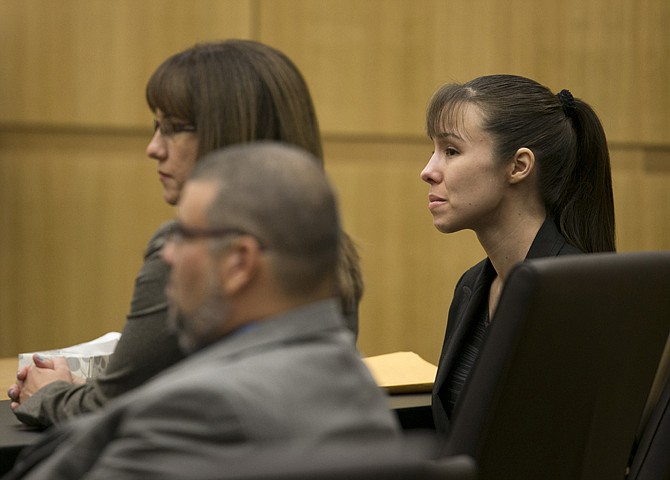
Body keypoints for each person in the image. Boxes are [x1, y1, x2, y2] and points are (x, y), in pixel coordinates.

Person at [7, 39, 363, 428]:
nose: (153, 148)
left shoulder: (194, 251)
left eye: (174, 129)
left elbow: (108, 412)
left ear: (231, 138)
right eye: (156, 126)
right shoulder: (328, 249)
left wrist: (48, 394)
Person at [4, 142, 401, 480]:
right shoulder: (355, 384)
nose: (169, 254)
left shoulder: (199, 410)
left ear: (239, 263)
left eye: (184, 235)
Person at [421, 74, 616, 434]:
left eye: (451, 151)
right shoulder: (470, 287)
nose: (428, 171)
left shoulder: (577, 296)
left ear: (519, 166)